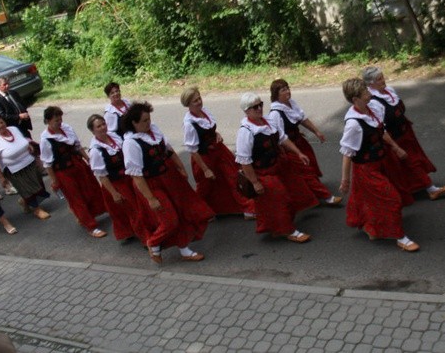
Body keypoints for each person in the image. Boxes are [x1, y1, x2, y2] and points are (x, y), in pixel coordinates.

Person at [122, 101, 212, 263]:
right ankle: (154, 242)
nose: (149, 123)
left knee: (183, 211)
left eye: (149, 119)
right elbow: (136, 175)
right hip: (152, 184)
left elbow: (167, 150)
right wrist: (150, 199)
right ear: (134, 123)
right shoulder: (130, 143)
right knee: (170, 219)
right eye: (144, 121)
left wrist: (180, 167)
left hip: (169, 177)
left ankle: (184, 249)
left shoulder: (153, 130)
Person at [339, 78, 420, 252]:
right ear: (355, 100)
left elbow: (382, 132)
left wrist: (396, 148)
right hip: (366, 169)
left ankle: (372, 227)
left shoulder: (372, 109)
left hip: (382, 161)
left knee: (376, 199)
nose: (369, 94)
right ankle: (400, 237)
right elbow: (347, 154)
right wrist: (345, 180)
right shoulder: (353, 124)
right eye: (365, 93)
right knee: (392, 199)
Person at [361, 66, 445, 201]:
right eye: (378, 79)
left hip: (406, 133)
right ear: (370, 84)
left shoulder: (389, 91)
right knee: (411, 161)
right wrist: (394, 146)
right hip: (394, 138)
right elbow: (380, 126)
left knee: (414, 160)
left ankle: (411, 188)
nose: (382, 80)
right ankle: (431, 189)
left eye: (382, 77)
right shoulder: (374, 102)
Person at [235, 92, 315, 243]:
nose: (259, 108)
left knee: (292, 192)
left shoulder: (268, 121)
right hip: (263, 173)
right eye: (254, 107)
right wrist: (255, 182)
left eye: (260, 104)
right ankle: (288, 230)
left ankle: (277, 227)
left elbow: (282, 138)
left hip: (279, 166)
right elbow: (244, 161)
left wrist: (298, 153)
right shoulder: (245, 132)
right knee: (280, 199)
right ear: (247, 110)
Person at [181, 87, 255, 219]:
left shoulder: (204, 112)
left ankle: (248, 208)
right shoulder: (189, 124)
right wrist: (205, 169)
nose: (199, 102)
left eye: (199, 98)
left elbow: (208, 130)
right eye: (195, 101)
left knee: (233, 176)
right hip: (204, 157)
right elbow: (192, 150)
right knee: (206, 187)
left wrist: (216, 134)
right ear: (188, 104)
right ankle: (199, 212)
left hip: (219, 151)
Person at [268, 79, 342, 206]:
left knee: (311, 163)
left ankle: (312, 189)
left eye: (288, 88)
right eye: (283, 90)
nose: (288, 91)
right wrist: (297, 152)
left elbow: (302, 118)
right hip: (289, 148)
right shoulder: (275, 113)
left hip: (299, 141)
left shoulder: (291, 103)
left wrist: (317, 132)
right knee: (305, 170)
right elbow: (281, 138)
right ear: (276, 94)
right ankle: (327, 197)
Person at [40, 106, 108, 238]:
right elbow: (48, 164)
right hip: (63, 172)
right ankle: (91, 226)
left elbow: (77, 146)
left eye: (60, 119)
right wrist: (54, 181)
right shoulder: (46, 140)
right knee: (76, 198)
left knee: (91, 189)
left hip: (78, 165)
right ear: (48, 121)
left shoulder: (67, 129)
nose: (59, 122)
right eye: (56, 120)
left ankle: (93, 213)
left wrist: (89, 161)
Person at [87, 114, 150, 244]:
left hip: (129, 178)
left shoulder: (114, 137)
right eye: (98, 126)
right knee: (133, 209)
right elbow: (102, 176)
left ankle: (135, 231)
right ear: (93, 131)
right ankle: (146, 238)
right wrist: (114, 193)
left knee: (139, 204)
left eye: (103, 124)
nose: (103, 127)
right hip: (116, 184)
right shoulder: (95, 151)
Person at [0, 116, 50, 220]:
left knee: (38, 185)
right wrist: (2, 178)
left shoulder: (14, 129)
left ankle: (24, 201)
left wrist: (28, 146)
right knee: (28, 190)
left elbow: (22, 140)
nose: (1, 125)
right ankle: (37, 210)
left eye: (1, 122)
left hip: (29, 162)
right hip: (15, 171)